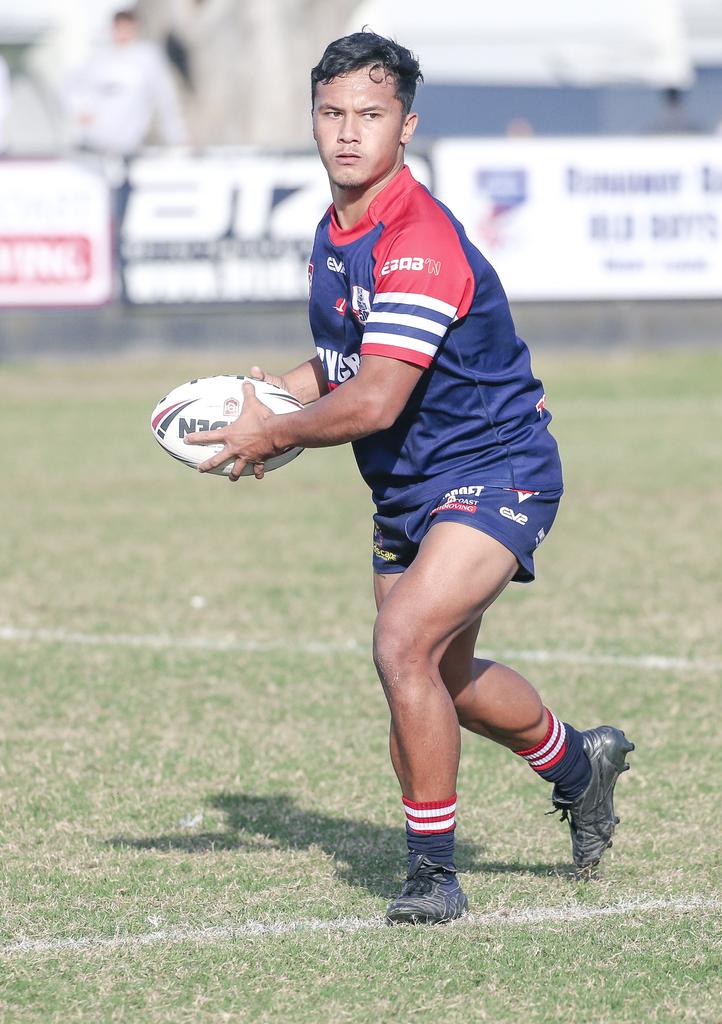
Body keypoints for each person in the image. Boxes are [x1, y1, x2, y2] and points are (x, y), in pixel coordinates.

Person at [186, 31, 634, 925]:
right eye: (333, 113)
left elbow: (378, 400)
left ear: (407, 125)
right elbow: (342, 365)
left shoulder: (419, 239)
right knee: (446, 679)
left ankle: (432, 874)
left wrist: (277, 430)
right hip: (407, 488)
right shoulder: (335, 230)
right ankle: (581, 766)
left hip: (497, 468)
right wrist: (265, 401)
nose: (349, 132)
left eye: (371, 115)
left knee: (401, 647)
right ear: (314, 120)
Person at [64, 8, 186, 157]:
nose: (123, 34)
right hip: (94, 141)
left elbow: (166, 98)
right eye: (119, 28)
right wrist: (80, 109)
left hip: (128, 145)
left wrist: (176, 136)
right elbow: (71, 86)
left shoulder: (147, 58)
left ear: (136, 29)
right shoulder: (99, 58)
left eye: (127, 29)